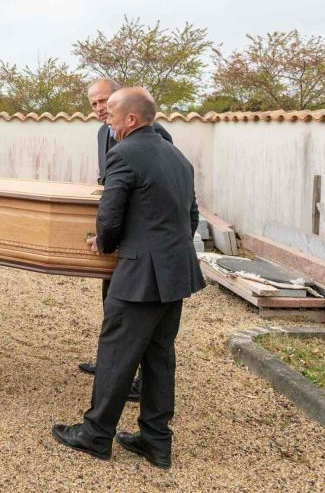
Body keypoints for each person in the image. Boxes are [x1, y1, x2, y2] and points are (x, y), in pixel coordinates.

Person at [52, 87, 204, 468]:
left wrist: (103, 242)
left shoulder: (123, 153)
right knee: (159, 358)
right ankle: (156, 441)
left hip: (140, 275)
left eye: (112, 113)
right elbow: (191, 215)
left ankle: (96, 434)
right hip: (175, 272)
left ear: (131, 119)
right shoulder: (179, 158)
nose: (107, 118)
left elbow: (110, 212)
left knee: (116, 354)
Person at [79, 77, 174, 401]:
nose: (99, 108)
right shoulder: (101, 133)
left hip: (142, 243)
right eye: (93, 103)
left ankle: (134, 378)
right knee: (113, 304)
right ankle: (114, 366)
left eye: (104, 101)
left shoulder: (155, 134)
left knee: (141, 320)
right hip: (121, 238)